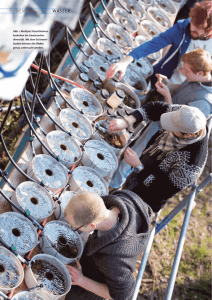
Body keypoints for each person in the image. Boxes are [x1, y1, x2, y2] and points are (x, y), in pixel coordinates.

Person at [108, 102, 208, 212]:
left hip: (144, 199)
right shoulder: (184, 114)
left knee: (119, 212)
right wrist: (127, 121)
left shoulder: (191, 165)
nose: (168, 127)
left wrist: (139, 167)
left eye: (173, 127)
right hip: (140, 170)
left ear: (188, 135)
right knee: (121, 192)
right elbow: (154, 108)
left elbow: (160, 192)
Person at [64, 191, 152, 300]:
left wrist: (82, 280)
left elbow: (122, 295)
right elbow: (148, 209)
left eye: (76, 227)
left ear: (91, 226)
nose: (74, 229)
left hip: (96, 279)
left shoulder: (113, 260)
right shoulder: (126, 197)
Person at [106, 1, 212, 87]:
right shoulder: (183, 27)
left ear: (209, 31)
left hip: (185, 90)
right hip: (162, 78)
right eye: (192, 22)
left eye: (197, 28)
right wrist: (125, 61)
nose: (192, 28)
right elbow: (154, 44)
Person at [155, 48, 212, 117]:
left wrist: (167, 97)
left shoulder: (203, 104)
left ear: (200, 73)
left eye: (187, 71)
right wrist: (167, 83)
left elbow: (178, 122)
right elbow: (183, 90)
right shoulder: (196, 78)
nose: (182, 72)